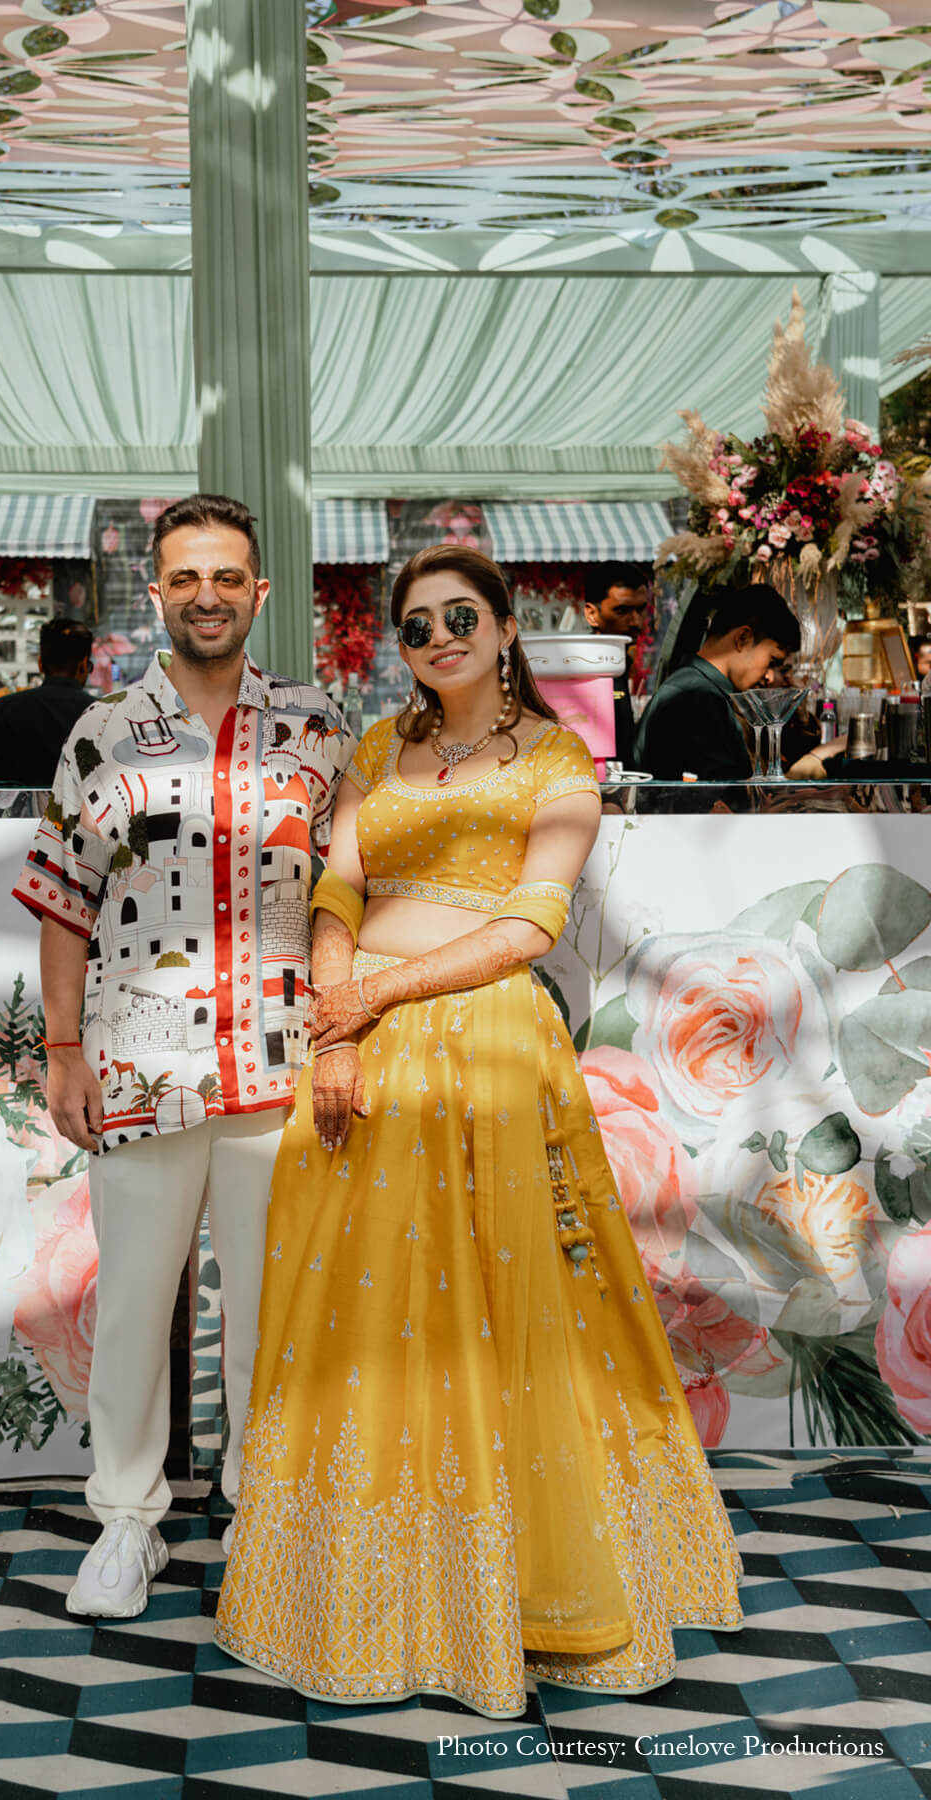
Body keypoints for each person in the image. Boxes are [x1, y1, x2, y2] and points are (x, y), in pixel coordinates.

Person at [214, 544, 742, 1718]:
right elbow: (335, 891)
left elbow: (530, 924)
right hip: (365, 1049)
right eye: (416, 625)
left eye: (462, 617)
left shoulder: (556, 757)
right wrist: (338, 1027)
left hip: (490, 1051)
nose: (440, 638)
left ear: (506, 628)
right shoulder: (376, 751)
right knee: (357, 1310)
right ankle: (370, 1595)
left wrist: (373, 996)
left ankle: (522, 1590)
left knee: (506, 1307)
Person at [12, 494, 354, 1621]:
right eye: (187, 578)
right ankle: (126, 1519)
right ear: (155, 593)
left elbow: (354, 891)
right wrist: (64, 1050)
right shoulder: (102, 731)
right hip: (138, 1065)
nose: (208, 596)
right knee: (133, 1304)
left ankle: (263, 1508)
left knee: (271, 1305)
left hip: (279, 1065)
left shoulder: (318, 725)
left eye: (228, 577)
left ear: (261, 593)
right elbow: (64, 902)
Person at [633, 583, 800, 782]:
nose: (770, 677)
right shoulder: (697, 697)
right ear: (743, 638)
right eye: (772, 662)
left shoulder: (697, 688)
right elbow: (722, 792)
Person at [0, 617, 95, 785]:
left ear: (40, 664)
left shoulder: (3, 708)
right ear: (84, 664)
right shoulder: (101, 712)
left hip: (17, 803)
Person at [582, 562, 651, 768]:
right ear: (592, 614)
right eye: (622, 611)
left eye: (641, 609)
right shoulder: (580, 670)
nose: (635, 621)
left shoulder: (623, 661)